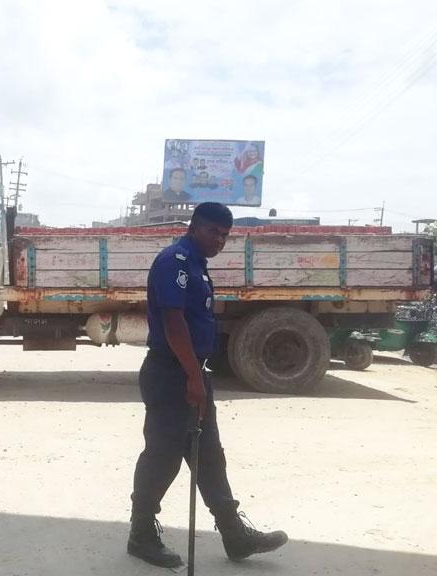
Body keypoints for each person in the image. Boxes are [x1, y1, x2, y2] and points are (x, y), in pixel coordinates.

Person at [127, 202, 288, 568]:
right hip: (171, 374)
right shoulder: (176, 261)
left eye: (225, 235)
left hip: (192, 372)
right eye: (213, 231)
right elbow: (173, 323)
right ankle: (140, 535)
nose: (220, 240)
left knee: (210, 456)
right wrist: (193, 377)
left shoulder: (198, 266)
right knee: (162, 457)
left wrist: (199, 375)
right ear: (194, 227)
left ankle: (234, 534)